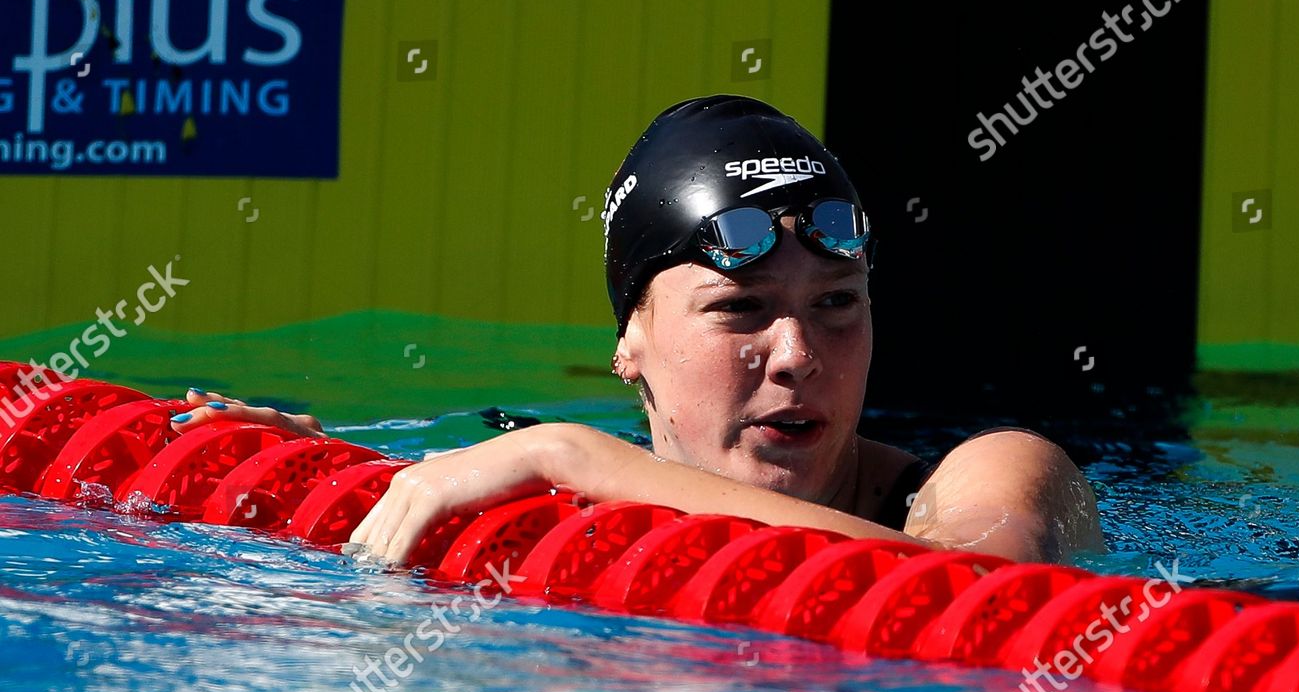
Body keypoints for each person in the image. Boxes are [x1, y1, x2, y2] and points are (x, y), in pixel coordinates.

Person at [170, 95, 1103, 565]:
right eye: (740, 308)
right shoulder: (539, 483)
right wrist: (326, 487)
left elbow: (982, 587)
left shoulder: (990, 473)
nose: (798, 355)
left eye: (838, 303)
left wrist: (588, 461)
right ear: (630, 346)